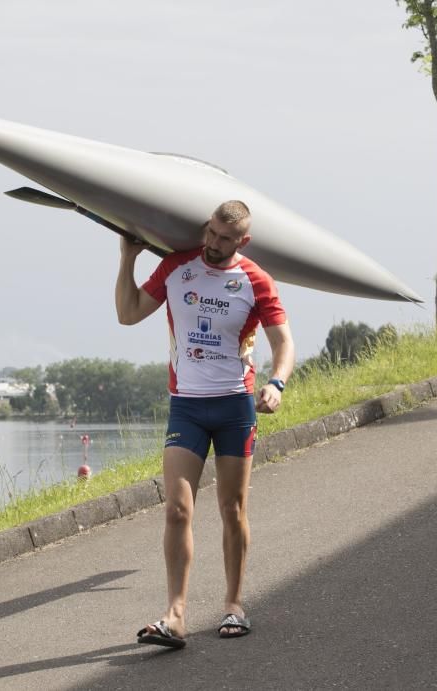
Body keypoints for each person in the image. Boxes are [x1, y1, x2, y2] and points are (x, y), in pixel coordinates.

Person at [116, 200, 295, 649]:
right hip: (187, 407)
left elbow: (284, 340)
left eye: (224, 238)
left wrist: (277, 382)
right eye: (210, 233)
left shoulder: (255, 281)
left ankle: (234, 605)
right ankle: (175, 615)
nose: (213, 244)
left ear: (243, 241)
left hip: (235, 407)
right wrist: (128, 258)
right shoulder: (178, 268)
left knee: (232, 510)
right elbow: (129, 312)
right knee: (177, 509)